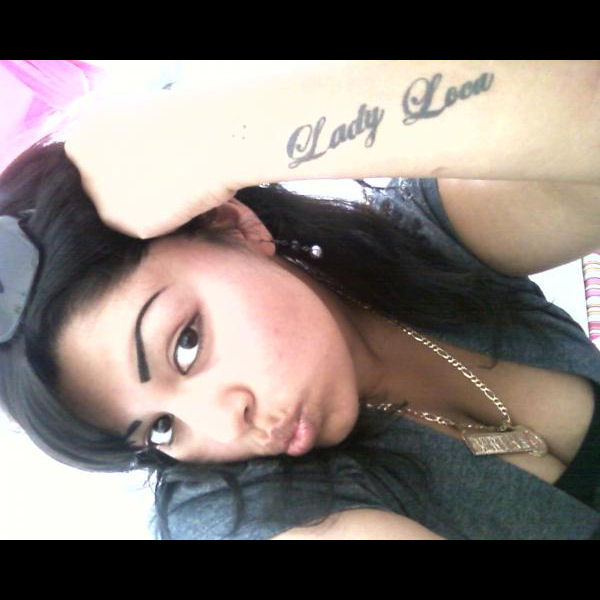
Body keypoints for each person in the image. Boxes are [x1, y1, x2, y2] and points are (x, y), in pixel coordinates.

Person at [1, 60, 599, 539]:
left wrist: (206, 140)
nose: (223, 426)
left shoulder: (420, 246)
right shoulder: (246, 509)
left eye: (186, 344)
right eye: (160, 430)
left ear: (234, 225)